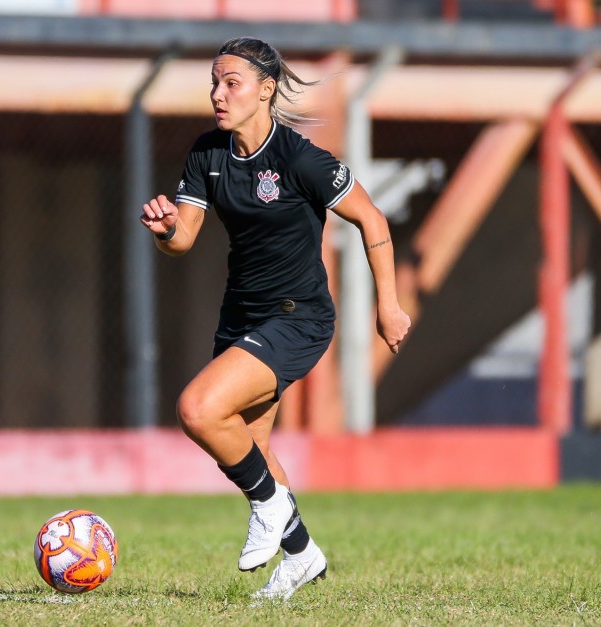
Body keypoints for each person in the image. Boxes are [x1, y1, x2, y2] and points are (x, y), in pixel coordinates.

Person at [140, 37, 411, 601]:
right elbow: (183, 241)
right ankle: (302, 557)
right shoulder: (207, 153)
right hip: (240, 315)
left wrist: (388, 303)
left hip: (298, 318)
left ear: (265, 90)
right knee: (252, 449)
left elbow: (372, 218)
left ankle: (269, 507)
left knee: (197, 409)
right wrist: (166, 228)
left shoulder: (299, 158)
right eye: (214, 83)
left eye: (231, 83)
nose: (218, 94)